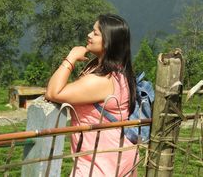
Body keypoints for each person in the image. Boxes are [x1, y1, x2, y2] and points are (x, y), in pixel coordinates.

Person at [45, 13, 138, 177]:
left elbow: (53, 92)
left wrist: (71, 58)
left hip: (101, 162)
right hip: (114, 156)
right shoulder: (119, 72)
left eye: (95, 33)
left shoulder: (102, 80)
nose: (89, 35)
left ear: (108, 41)